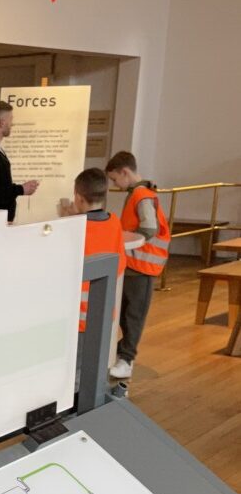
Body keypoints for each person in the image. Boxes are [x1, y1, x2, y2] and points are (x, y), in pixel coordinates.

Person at [105, 150, 171, 380]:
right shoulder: (139, 194)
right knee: (127, 313)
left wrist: (132, 239)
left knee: (133, 315)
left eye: (115, 179)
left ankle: (127, 358)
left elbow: (150, 228)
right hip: (135, 264)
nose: (115, 184)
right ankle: (123, 353)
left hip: (143, 266)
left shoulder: (141, 195)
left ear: (125, 172)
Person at [70, 169, 126, 364]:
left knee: (75, 367)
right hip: (103, 311)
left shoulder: (76, 227)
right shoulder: (115, 222)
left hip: (77, 315)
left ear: (78, 197)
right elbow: (120, 264)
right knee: (96, 364)